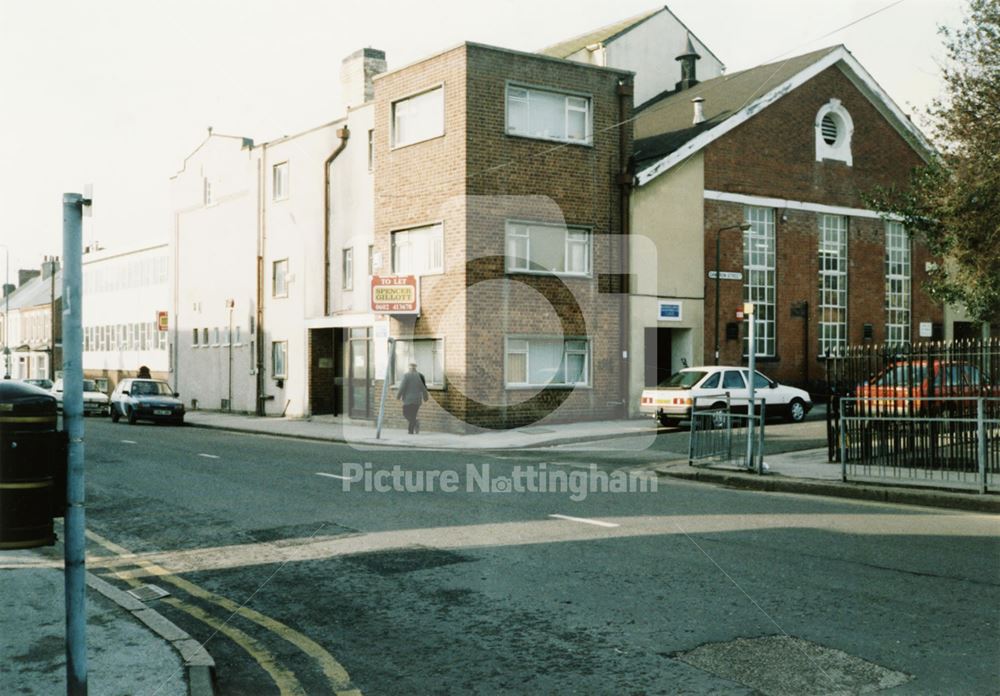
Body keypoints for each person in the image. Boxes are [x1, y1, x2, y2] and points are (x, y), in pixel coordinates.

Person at [397, 362, 429, 434]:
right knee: (413, 415)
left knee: (405, 413)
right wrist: (425, 397)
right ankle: (411, 430)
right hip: (417, 400)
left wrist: (398, 396)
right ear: (415, 368)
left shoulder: (406, 376)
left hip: (408, 399)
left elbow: (402, 387)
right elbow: (424, 388)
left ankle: (415, 423)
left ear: (409, 368)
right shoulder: (421, 376)